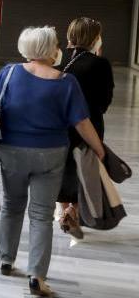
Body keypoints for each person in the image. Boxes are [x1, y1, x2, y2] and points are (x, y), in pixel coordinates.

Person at [0, 26, 106, 298]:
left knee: (12, 207)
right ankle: (36, 276)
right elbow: (81, 122)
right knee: (41, 215)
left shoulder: (9, 72)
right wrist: (99, 150)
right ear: (52, 50)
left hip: (12, 151)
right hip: (50, 154)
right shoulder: (66, 82)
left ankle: (6, 259)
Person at [57, 17, 114, 239]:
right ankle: (74, 210)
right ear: (94, 38)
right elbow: (104, 102)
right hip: (90, 125)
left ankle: (63, 212)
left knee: (65, 169)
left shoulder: (60, 61)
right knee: (88, 170)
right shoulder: (100, 64)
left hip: (62, 126)